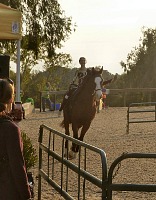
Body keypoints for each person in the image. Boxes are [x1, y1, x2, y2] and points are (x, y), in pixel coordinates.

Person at [0, 78, 31, 200]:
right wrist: (26, 194)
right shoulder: (10, 128)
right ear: (10, 99)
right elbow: (17, 165)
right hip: (5, 189)